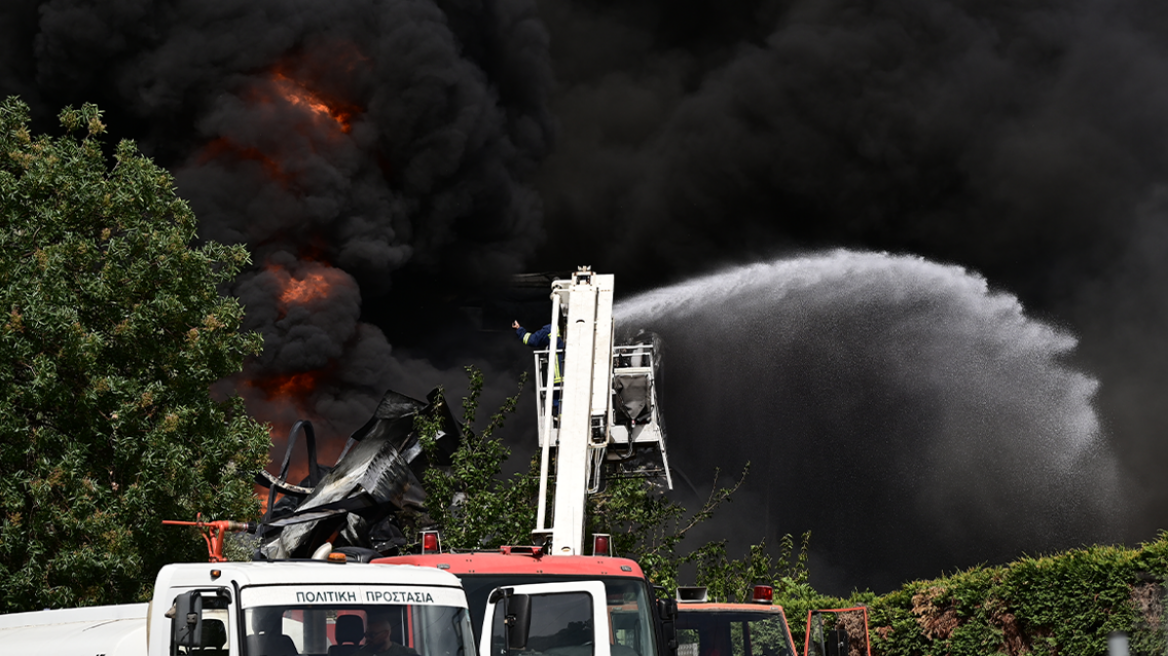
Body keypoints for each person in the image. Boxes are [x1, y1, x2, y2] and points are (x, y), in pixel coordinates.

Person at [513, 320, 564, 416]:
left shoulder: (551, 329)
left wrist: (519, 329)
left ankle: (559, 418)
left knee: (559, 403)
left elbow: (532, 340)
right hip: (577, 377)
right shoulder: (583, 327)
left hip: (558, 377)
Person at [352, 609, 419, 656]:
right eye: (366, 635)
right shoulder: (360, 654)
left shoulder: (407, 653)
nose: (368, 638)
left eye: (372, 635)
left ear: (385, 634)